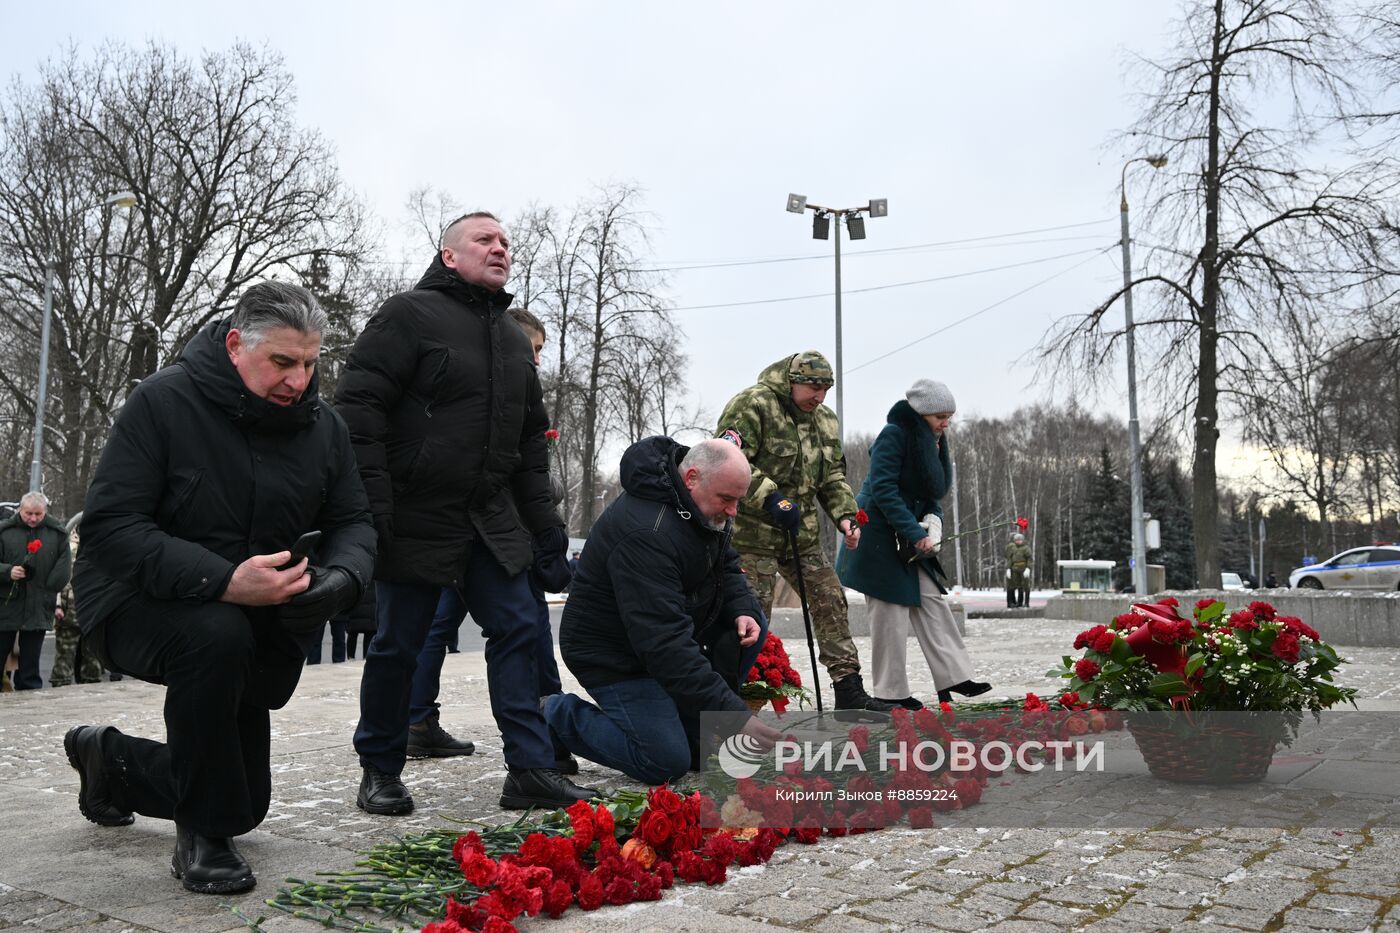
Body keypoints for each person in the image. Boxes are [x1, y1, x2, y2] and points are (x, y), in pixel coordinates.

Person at [66, 281, 376, 895]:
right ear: (236, 345)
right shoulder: (162, 403)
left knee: (246, 804)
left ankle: (111, 762)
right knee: (217, 631)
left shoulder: (325, 428)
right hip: (132, 599)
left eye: (311, 363)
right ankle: (202, 840)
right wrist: (224, 580)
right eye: (282, 362)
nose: (299, 379)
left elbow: (354, 522)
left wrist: (342, 578)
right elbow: (111, 527)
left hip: (252, 614)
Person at [337, 211, 593, 814]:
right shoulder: (407, 315)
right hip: (415, 513)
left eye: (505, 241)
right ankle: (379, 765)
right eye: (484, 239)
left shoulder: (510, 336)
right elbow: (357, 414)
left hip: (490, 517)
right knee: (398, 643)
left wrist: (546, 529)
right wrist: (371, 512)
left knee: (520, 630)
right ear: (450, 255)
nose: (499, 248)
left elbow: (532, 444)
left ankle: (529, 768)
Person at [546, 438, 780, 784]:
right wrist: (732, 717)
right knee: (665, 761)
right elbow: (664, 644)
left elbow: (725, 563)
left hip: (664, 640)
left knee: (750, 623)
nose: (733, 511)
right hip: (614, 656)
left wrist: (742, 607)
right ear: (692, 478)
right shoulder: (647, 532)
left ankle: (686, 722)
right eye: (727, 500)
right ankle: (553, 714)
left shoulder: (700, 505)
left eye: (737, 501)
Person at [401, 306, 569, 762]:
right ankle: (547, 729)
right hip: (499, 534)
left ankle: (417, 718)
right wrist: (544, 498)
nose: (535, 360)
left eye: (538, 352)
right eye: (531, 349)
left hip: (474, 529)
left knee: (439, 626)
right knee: (526, 626)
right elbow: (515, 470)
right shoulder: (503, 390)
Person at [715, 351, 890, 712]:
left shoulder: (825, 420)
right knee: (751, 619)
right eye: (813, 387)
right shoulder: (753, 404)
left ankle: (849, 691)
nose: (820, 397)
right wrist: (772, 498)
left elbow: (832, 477)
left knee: (830, 600)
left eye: (826, 389)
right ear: (791, 381)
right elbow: (728, 460)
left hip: (802, 536)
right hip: (751, 538)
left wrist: (845, 516)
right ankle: (738, 704)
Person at [836, 380, 990, 708]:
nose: (946, 422)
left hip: (908, 536)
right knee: (889, 614)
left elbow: (930, 491)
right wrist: (916, 532)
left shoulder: (935, 440)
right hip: (878, 535)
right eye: (940, 416)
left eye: (949, 415)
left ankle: (955, 676)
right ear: (922, 414)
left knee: (932, 599)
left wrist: (934, 522)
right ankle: (891, 693)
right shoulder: (894, 435)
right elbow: (883, 490)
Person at [0, 491, 73, 690]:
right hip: (6, 606)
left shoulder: (56, 533)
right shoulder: (4, 531)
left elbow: (64, 566)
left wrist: (50, 587)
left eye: (38, 514)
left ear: (45, 512)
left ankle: (30, 695)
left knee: (30, 662)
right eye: (28, 513)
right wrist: (7, 572)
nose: (33, 518)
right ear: (20, 510)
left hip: (39, 605)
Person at [49, 524, 105, 687]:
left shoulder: (101, 547)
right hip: (69, 609)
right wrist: (57, 604)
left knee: (93, 654)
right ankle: (60, 685)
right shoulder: (66, 548)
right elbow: (58, 578)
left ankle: (92, 685)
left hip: (94, 608)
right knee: (64, 654)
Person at [1005, 532, 1032, 608]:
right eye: (1016, 540)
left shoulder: (1026, 548)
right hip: (1014, 568)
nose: (1018, 541)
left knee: (1025, 586)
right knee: (1018, 585)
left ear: (1022, 540)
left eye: (1019, 540)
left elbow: (1029, 559)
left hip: (1023, 568)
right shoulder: (1013, 548)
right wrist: (1008, 568)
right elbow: (1010, 559)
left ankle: (1026, 602)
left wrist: (1028, 568)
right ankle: (1019, 603)